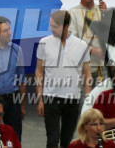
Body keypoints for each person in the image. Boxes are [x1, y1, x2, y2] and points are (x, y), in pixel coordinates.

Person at [35, 10, 91, 148]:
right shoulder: (44, 43)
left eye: (55, 26)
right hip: (50, 97)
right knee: (52, 141)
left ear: (66, 26)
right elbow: (39, 71)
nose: (51, 29)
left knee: (67, 141)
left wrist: (89, 97)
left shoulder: (81, 45)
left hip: (72, 98)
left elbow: (87, 73)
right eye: (51, 25)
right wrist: (40, 98)